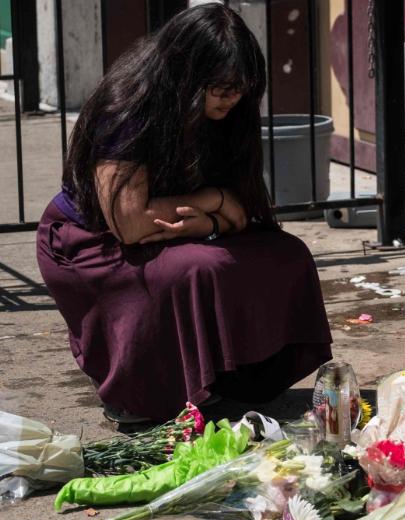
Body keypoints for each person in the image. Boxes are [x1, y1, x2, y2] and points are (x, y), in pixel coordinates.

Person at [36, 4, 332, 423]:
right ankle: (146, 389)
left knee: (287, 254)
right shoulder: (127, 107)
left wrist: (214, 219)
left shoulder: (230, 112)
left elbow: (246, 209)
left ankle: (235, 377)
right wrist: (216, 204)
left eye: (241, 87)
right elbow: (131, 223)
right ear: (185, 74)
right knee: (200, 267)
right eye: (221, 86)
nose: (233, 98)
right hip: (91, 241)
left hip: (177, 227)